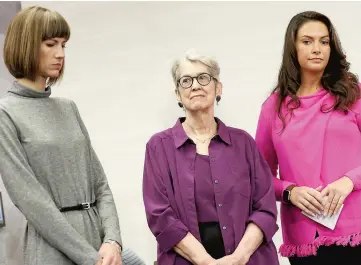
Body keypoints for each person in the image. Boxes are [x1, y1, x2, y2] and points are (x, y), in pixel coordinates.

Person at [0, 6, 145, 265]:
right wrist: (91, 258)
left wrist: (113, 240)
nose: (60, 54)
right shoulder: (6, 113)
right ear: (26, 45)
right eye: (50, 44)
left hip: (99, 244)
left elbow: (100, 183)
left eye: (64, 45)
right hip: (53, 249)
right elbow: (32, 201)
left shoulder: (68, 108)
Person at [142, 50, 280, 265]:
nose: (195, 86)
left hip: (248, 259)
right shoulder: (158, 147)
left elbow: (265, 208)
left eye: (203, 78)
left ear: (218, 88)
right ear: (178, 94)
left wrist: (239, 258)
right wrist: (206, 262)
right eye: (186, 81)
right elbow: (160, 216)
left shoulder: (243, 142)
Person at [255, 11, 361, 265]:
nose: (317, 49)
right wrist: (290, 191)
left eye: (324, 41)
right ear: (292, 47)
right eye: (307, 41)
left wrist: (350, 180)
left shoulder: (353, 95)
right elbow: (259, 176)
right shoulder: (274, 107)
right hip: (305, 235)